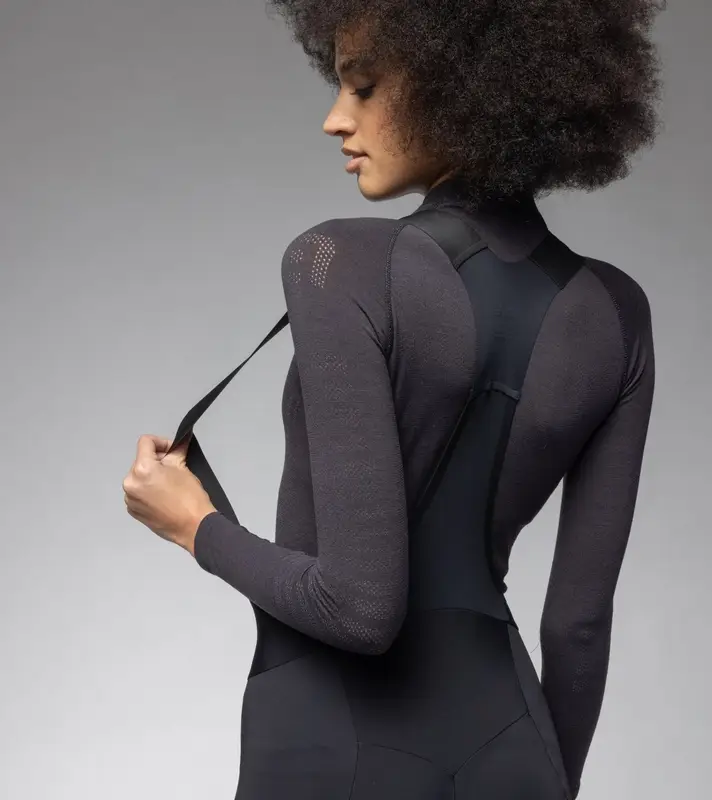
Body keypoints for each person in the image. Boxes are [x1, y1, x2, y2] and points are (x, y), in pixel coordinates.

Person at [188, 1, 662, 797]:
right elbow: (577, 626)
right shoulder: (618, 312)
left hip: (331, 741)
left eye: (364, 87)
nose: (336, 120)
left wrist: (192, 525)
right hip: (511, 739)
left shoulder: (336, 261)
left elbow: (358, 609)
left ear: (458, 84)